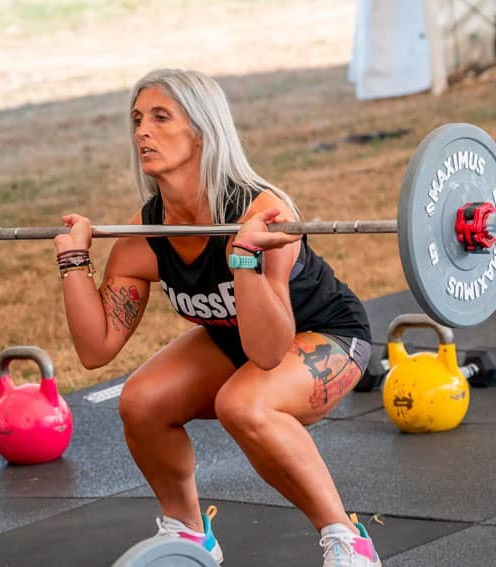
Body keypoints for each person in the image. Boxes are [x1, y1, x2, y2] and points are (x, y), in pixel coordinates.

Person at [53, 68, 381, 567]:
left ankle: (347, 540)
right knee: (140, 402)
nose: (142, 132)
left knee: (243, 404)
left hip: (326, 336)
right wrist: (74, 261)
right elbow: (96, 350)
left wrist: (245, 257)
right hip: (233, 340)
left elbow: (268, 352)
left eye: (161, 117)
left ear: (203, 132)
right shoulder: (146, 236)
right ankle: (188, 538)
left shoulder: (263, 213)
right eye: (138, 119)